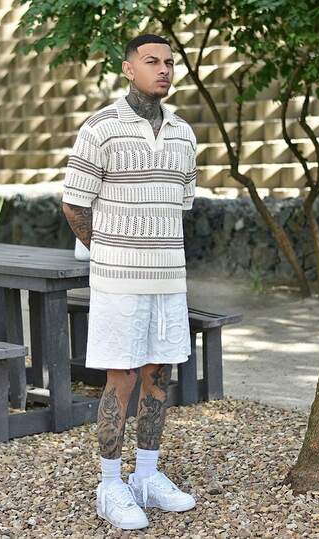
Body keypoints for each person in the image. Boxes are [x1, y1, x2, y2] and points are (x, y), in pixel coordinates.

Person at [62, 33, 197, 531]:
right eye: (152, 61)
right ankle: (110, 485)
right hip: (118, 282)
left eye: (169, 62)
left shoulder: (184, 133)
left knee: (158, 377)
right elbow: (74, 204)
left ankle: (146, 476)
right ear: (128, 69)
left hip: (169, 280)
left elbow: (181, 205)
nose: (163, 69)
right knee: (120, 379)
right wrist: (109, 255)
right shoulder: (100, 128)